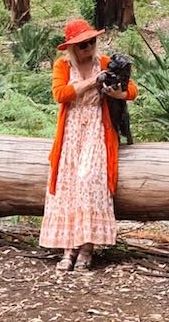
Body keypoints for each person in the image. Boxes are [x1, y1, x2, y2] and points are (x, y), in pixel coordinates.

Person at [39, 18, 138, 271]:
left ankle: (87, 247)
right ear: (72, 48)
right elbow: (59, 94)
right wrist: (92, 82)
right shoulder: (62, 66)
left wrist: (119, 94)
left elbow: (133, 90)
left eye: (91, 42)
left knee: (89, 181)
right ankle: (68, 248)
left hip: (96, 128)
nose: (88, 47)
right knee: (67, 186)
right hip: (71, 132)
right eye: (83, 44)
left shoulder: (104, 63)